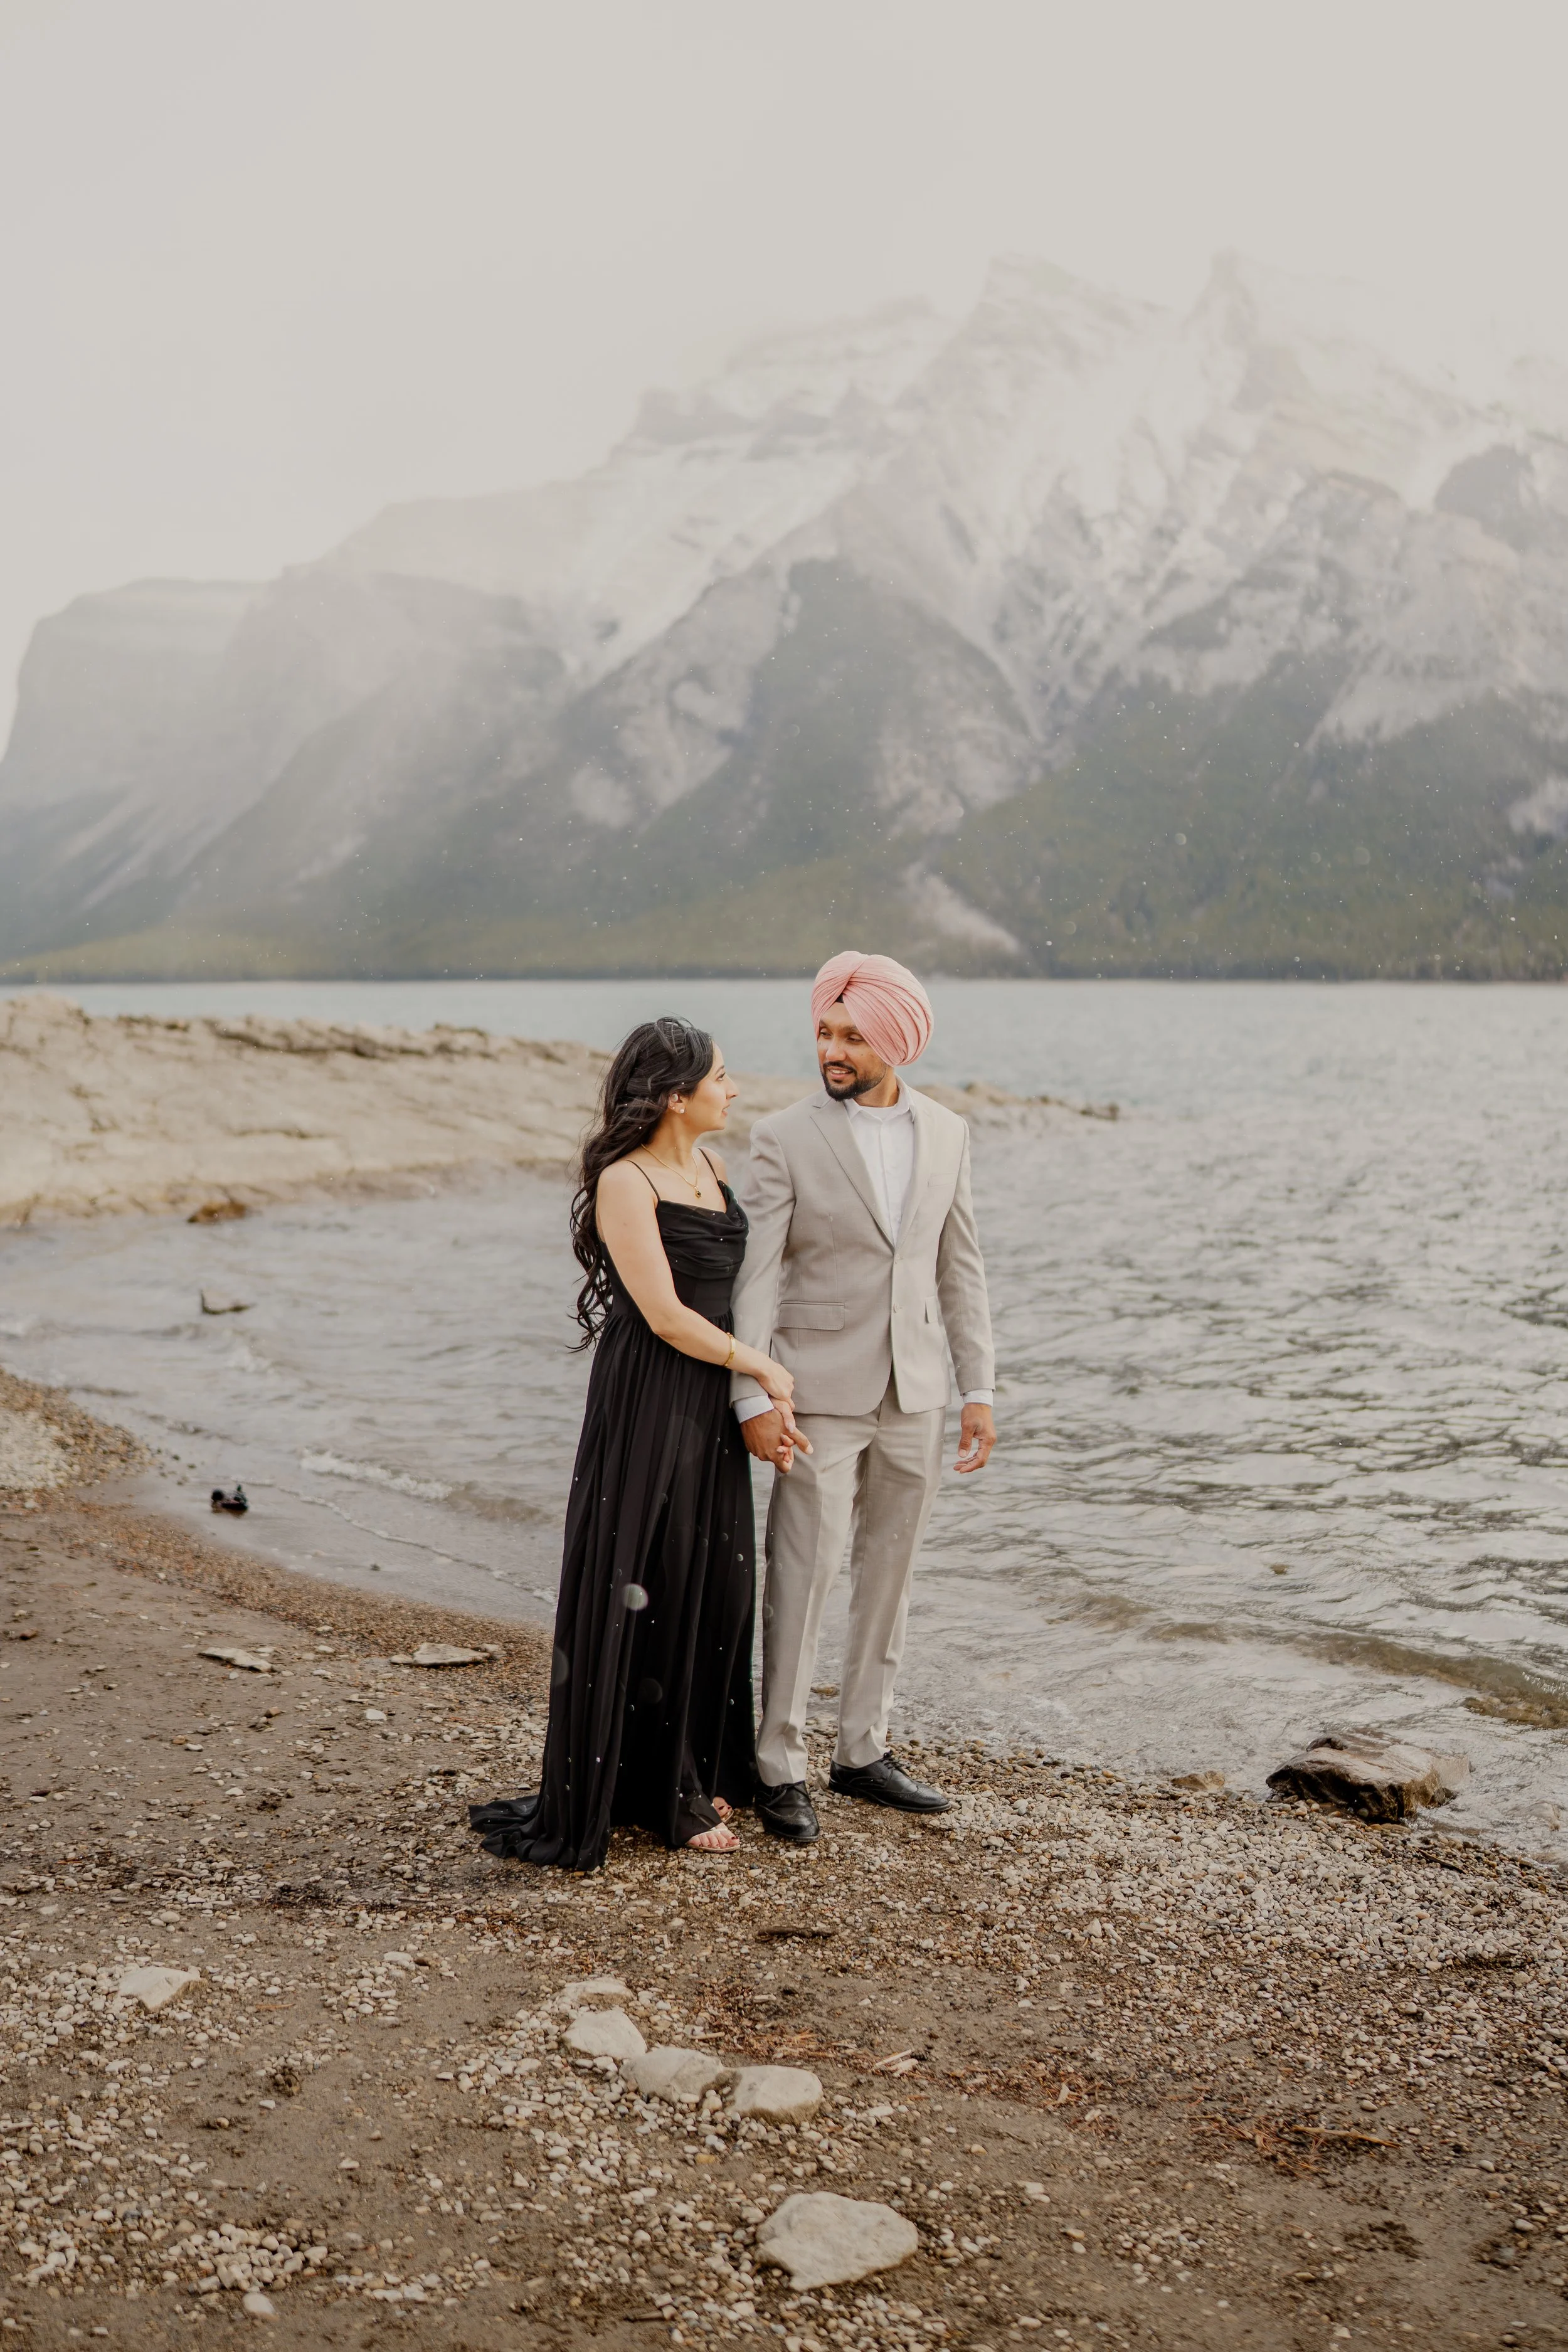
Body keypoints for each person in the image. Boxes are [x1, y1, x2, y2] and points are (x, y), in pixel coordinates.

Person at [469, 1017, 806, 1871]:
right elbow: (663, 1315)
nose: (734, 1089)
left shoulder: (713, 1168)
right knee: (647, 1571)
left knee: (709, 1578)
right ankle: (661, 1796)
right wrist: (763, 1365)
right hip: (652, 1391)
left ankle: (685, 1765)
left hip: (708, 1393)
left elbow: (740, 1287)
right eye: (721, 1077)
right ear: (676, 1096)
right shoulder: (627, 1180)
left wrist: (755, 1387)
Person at [729, 951, 996, 1845]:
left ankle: (863, 1749)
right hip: (815, 1392)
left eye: (851, 1036)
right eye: (824, 1032)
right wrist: (753, 1393)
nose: (831, 1050)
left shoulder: (948, 1132)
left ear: (896, 1041)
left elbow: (960, 1267)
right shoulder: (782, 1136)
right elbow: (756, 1277)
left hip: (916, 1392)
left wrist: (978, 1387)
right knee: (802, 1576)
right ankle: (780, 1763)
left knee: (890, 1574)